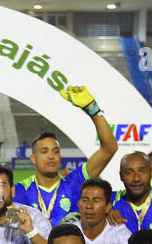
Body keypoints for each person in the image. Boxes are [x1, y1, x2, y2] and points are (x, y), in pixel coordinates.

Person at [14, 86, 119, 225]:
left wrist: (93, 110)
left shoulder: (75, 182)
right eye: (44, 151)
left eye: (55, 151)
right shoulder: (19, 190)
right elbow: (6, 222)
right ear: (33, 158)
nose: (51, 156)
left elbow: (109, 148)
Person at [71, 178, 131, 244]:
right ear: (79, 204)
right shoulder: (69, 231)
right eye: (85, 200)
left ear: (108, 207)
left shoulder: (117, 230)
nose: (89, 206)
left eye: (96, 200)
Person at [113, 151, 152, 233]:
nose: (136, 179)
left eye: (142, 171)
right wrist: (105, 213)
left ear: (151, 172)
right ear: (121, 176)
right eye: (129, 172)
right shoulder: (109, 202)